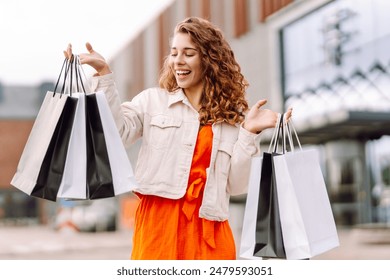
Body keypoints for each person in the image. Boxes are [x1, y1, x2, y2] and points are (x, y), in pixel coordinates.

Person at [64, 16, 292, 260]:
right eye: (174, 53)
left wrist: (249, 133)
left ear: (210, 59)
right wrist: (103, 75)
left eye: (188, 53)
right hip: (158, 231)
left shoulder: (231, 120)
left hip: (211, 235)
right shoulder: (152, 101)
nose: (178, 61)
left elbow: (236, 186)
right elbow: (115, 134)